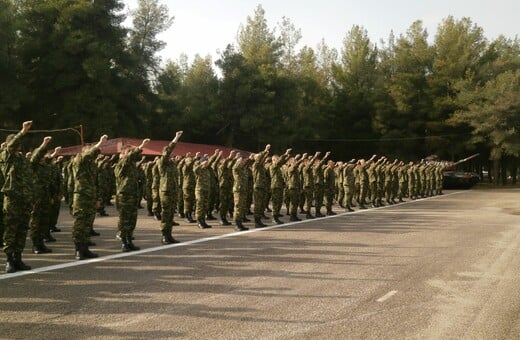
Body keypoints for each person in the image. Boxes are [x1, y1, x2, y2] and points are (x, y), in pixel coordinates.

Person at [2, 121, 34, 272]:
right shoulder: (7, 157)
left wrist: (31, 198)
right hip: (13, 200)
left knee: (22, 230)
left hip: (25, 200)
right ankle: (9, 260)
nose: (19, 144)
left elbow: (29, 180)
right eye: (16, 141)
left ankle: (18, 258)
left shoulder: (23, 160)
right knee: (11, 230)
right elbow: (11, 146)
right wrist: (22, 132)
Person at [71, 134, 108, 260]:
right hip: (81, 197)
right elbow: (88, 155)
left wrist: (97, 198)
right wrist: (100, 143)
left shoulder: (92, 166)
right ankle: (78, 250)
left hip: (90, 197)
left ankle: (85, 248)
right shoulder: (78, 161)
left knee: (87, 224)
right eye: (90, 150)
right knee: (80, 223)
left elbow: (94, 183)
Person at [114, 138, 150, 252]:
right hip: (124, 196)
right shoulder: (121, 164)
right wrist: (141, 146)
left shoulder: (131, 166)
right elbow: (128, 158)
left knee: (132, 219)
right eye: (128, 152)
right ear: (123, 154)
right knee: (125, 220)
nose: (131, 155)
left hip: (132, 196)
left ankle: (129, 240)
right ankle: (124, 242)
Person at [156, 131, 183, 244]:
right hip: (166, 192)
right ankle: (164, 236)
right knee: (166, 213)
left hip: (172, 191)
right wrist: (175, 138)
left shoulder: (172, 165)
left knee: (171, 213)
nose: (172, 155)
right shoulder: (161, 162)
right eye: (170, 154)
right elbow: (168, 151)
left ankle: (169, 235)